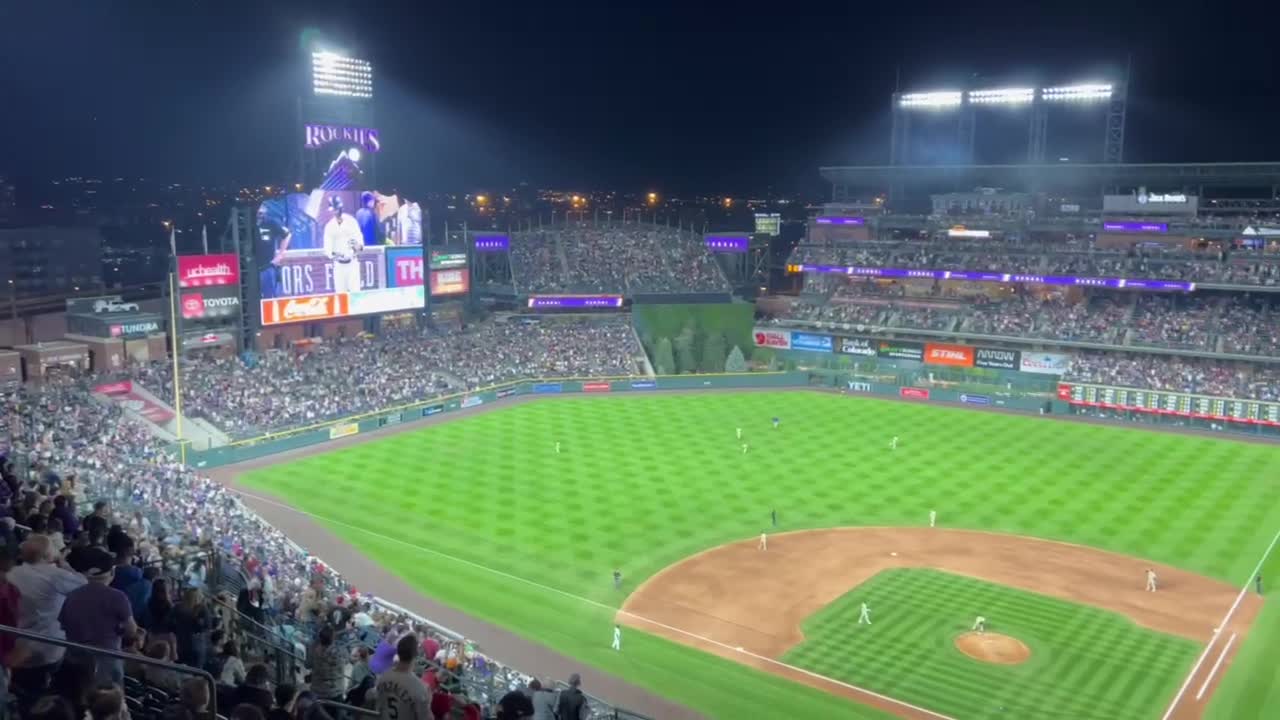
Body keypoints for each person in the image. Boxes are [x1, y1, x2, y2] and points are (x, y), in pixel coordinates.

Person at [8, 535, 87, 695]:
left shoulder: (11, 573)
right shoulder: (55, 575)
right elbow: (84, 585)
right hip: (45, 648)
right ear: (47, 555)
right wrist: (63, 564)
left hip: (14, 644)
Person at [59, 546, 137, 686]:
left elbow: (63, 624)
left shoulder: (71, 594)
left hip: (74, 657)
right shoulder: (117, 597)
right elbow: (131, 631)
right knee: (105, 702)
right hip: (106, 660)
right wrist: (118, 629)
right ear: (111, 572)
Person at [375, 634, 432, 720]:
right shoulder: (420, 688)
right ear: (415, 655)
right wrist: (429, 702)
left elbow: (377, 704)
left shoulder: (383, 677)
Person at [323, 195, 364, 294]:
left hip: (352, 263)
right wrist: (336, 254)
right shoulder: (329, 226)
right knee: (341, 296)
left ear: (340, 208)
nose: (334, 212)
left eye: (336, 209)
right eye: (333, 210)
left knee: (355, 295)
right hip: (339, 266)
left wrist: (355, 248)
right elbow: (327, 249)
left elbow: (361, 245)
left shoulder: (351, 222)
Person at [256, 202, 294, 299]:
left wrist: (280, 255)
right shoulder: (247, 223)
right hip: (251, 269)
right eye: (258, 213)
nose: (260, 215)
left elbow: (287, 234)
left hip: (267, 267)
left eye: (261, 212)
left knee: (269, 298)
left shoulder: (271, 222)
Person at [173, 587, 212, 670]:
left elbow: (171, 624)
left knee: (179, 670)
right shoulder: (202, 610)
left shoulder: (178, 608)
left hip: (180, 643)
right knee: (195, 673)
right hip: (196, 646)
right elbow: (207, 626)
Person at [308, 624, 346, 703]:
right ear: (332, 638)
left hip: (317, 691)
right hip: (335, 692)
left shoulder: (313, 650)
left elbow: (307, 665)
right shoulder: (339, 651)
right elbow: (347, 660)